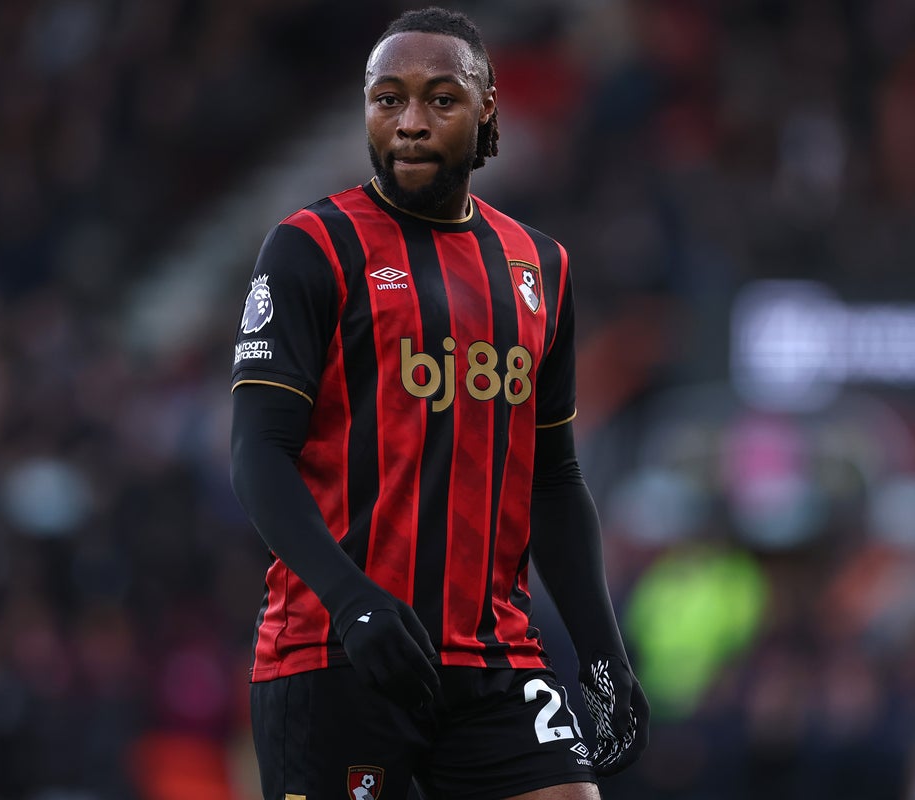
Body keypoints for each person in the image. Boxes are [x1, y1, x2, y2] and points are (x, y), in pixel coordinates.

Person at [229, 7, 648, 799]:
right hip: (337, 652)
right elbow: (258, 453)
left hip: (496, 658)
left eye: (440, 98)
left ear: (487, 109)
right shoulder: (311, 247)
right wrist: (351, 600)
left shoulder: (541, 266)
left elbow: (553, 479)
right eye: (388, 99)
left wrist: (602, 650)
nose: (411, 122)